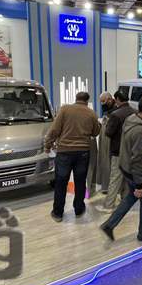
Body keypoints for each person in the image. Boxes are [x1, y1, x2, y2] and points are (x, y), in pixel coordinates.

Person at [100, 96, 142, 242]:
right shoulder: (140, 131)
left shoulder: (131, 119)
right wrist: (139, 184)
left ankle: (109, 224)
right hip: (137, 174)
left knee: (131, 197)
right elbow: (137, 159)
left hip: (126, 167)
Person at [45, 92, 101, 222]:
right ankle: (79, 209)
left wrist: (48, 145)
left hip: (64, 151)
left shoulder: (65, 109)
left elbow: (54, 130)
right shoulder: (91, 113)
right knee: (80, 182)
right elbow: (95, 132)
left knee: (61, 182)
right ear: (87, 101)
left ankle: (58, 213)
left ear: (76, 99)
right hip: (83, 152)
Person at [96, 90, 135, 213]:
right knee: (127, 178)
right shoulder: (134, 112)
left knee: (115, 178)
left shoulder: (116, 114)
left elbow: (108, 133)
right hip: (131, 150)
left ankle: (109, 205)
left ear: (117, 99)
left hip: (118, 151)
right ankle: (125, 201)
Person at [95, 92, 116, 194]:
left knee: (109, 162)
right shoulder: (107, 109)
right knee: (104, 161)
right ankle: (105, 184)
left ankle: (109, 186)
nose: (102, 104)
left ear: (110, 99)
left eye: (103, 101)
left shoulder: (115, 110)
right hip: (104, 139)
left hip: (111, 140)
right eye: (101, 102)